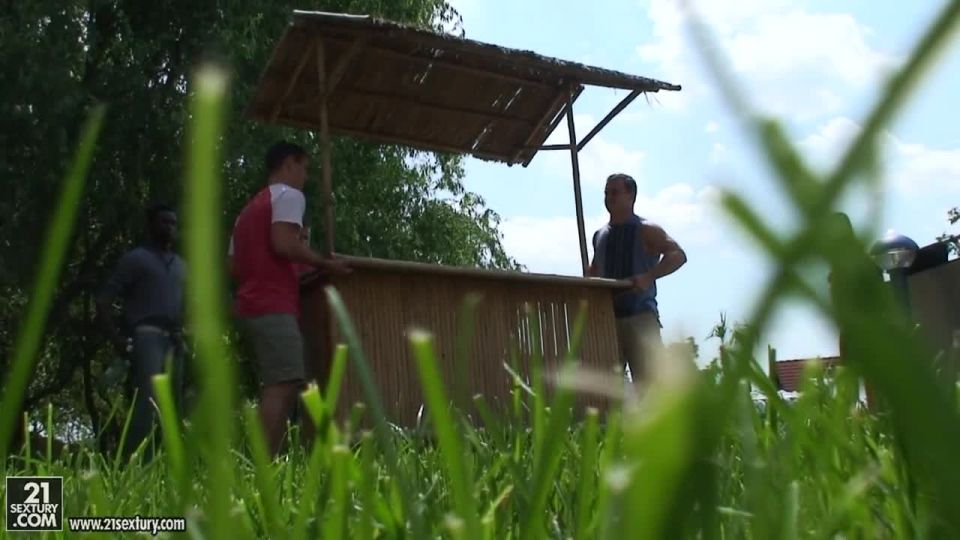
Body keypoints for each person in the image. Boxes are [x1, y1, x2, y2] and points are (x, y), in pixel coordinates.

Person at [228, 140, 349, 457]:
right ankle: (263, 465)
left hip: (250, 304)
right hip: (273, 304)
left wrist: (294, 258)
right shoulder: (290, 196)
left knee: (277, 382)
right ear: (288, 165)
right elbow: (283, 244)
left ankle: (271, 460)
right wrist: (324, 262)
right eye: (304, 167)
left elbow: (234, 265)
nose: (306, 176)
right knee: (282, 385)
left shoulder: (248, 211)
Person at [96, 203, 186, 459]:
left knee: (173, 407)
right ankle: (133, 464)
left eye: (173, 223)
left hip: (175, 340)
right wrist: (116, 339)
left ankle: (165, 466)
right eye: (163, 222)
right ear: (151, 225)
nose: (169, 228)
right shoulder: (136, 259)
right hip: (146, 336)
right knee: (147, 403)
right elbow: (103, 300)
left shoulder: (181, 265)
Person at [588, 173, 687, 384]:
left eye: (615, 192)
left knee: (650, 387)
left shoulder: (647, 230)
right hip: (607, 319)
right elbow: (595, 270)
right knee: (604, 387)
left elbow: (678, 255)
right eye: (606, 193)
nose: (609, 197)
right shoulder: (600, 235)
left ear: (631, 195)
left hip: (640, 317)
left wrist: (649, 276)